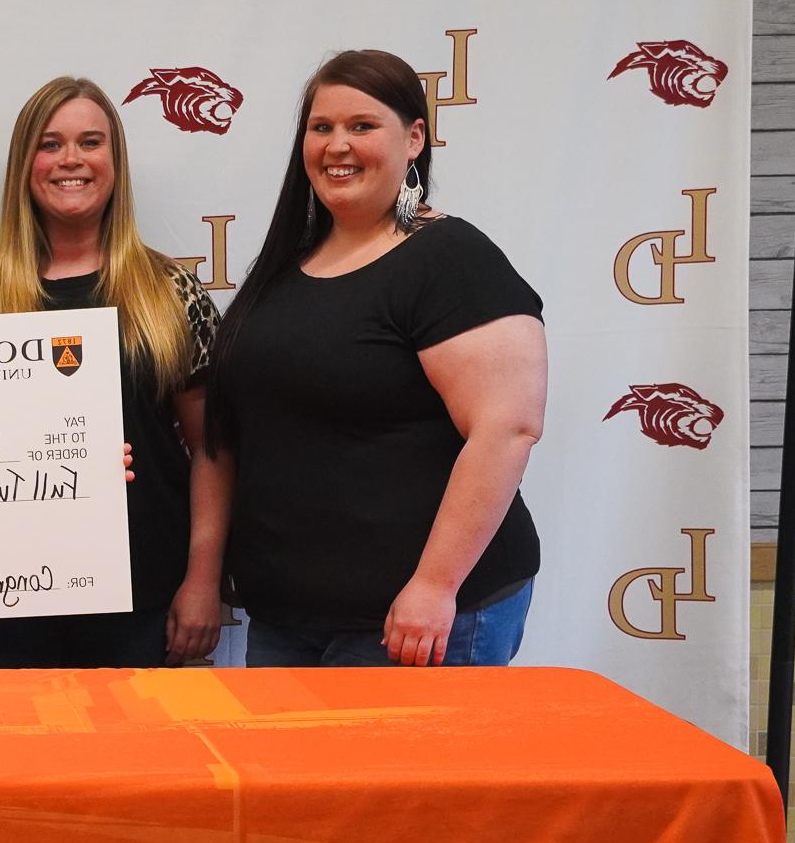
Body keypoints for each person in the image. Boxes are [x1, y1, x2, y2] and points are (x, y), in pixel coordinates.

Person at [208, 49, 545, 668]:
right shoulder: (288, 265)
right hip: (288, 619)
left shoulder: (448, 257)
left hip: (412, 624)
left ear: (414, 138)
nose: (338, 145)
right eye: (322, 128)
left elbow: (507, 427)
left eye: (362, 126)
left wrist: (435, 586)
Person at [0, 77, 224, 668]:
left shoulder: (170, 291)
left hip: (143, 595)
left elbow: (212, 449)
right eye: (49, 145)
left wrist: (203, 581)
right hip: (2, 597)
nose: (70, 160)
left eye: (90, 142)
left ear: (114, 161)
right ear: (24, 164)